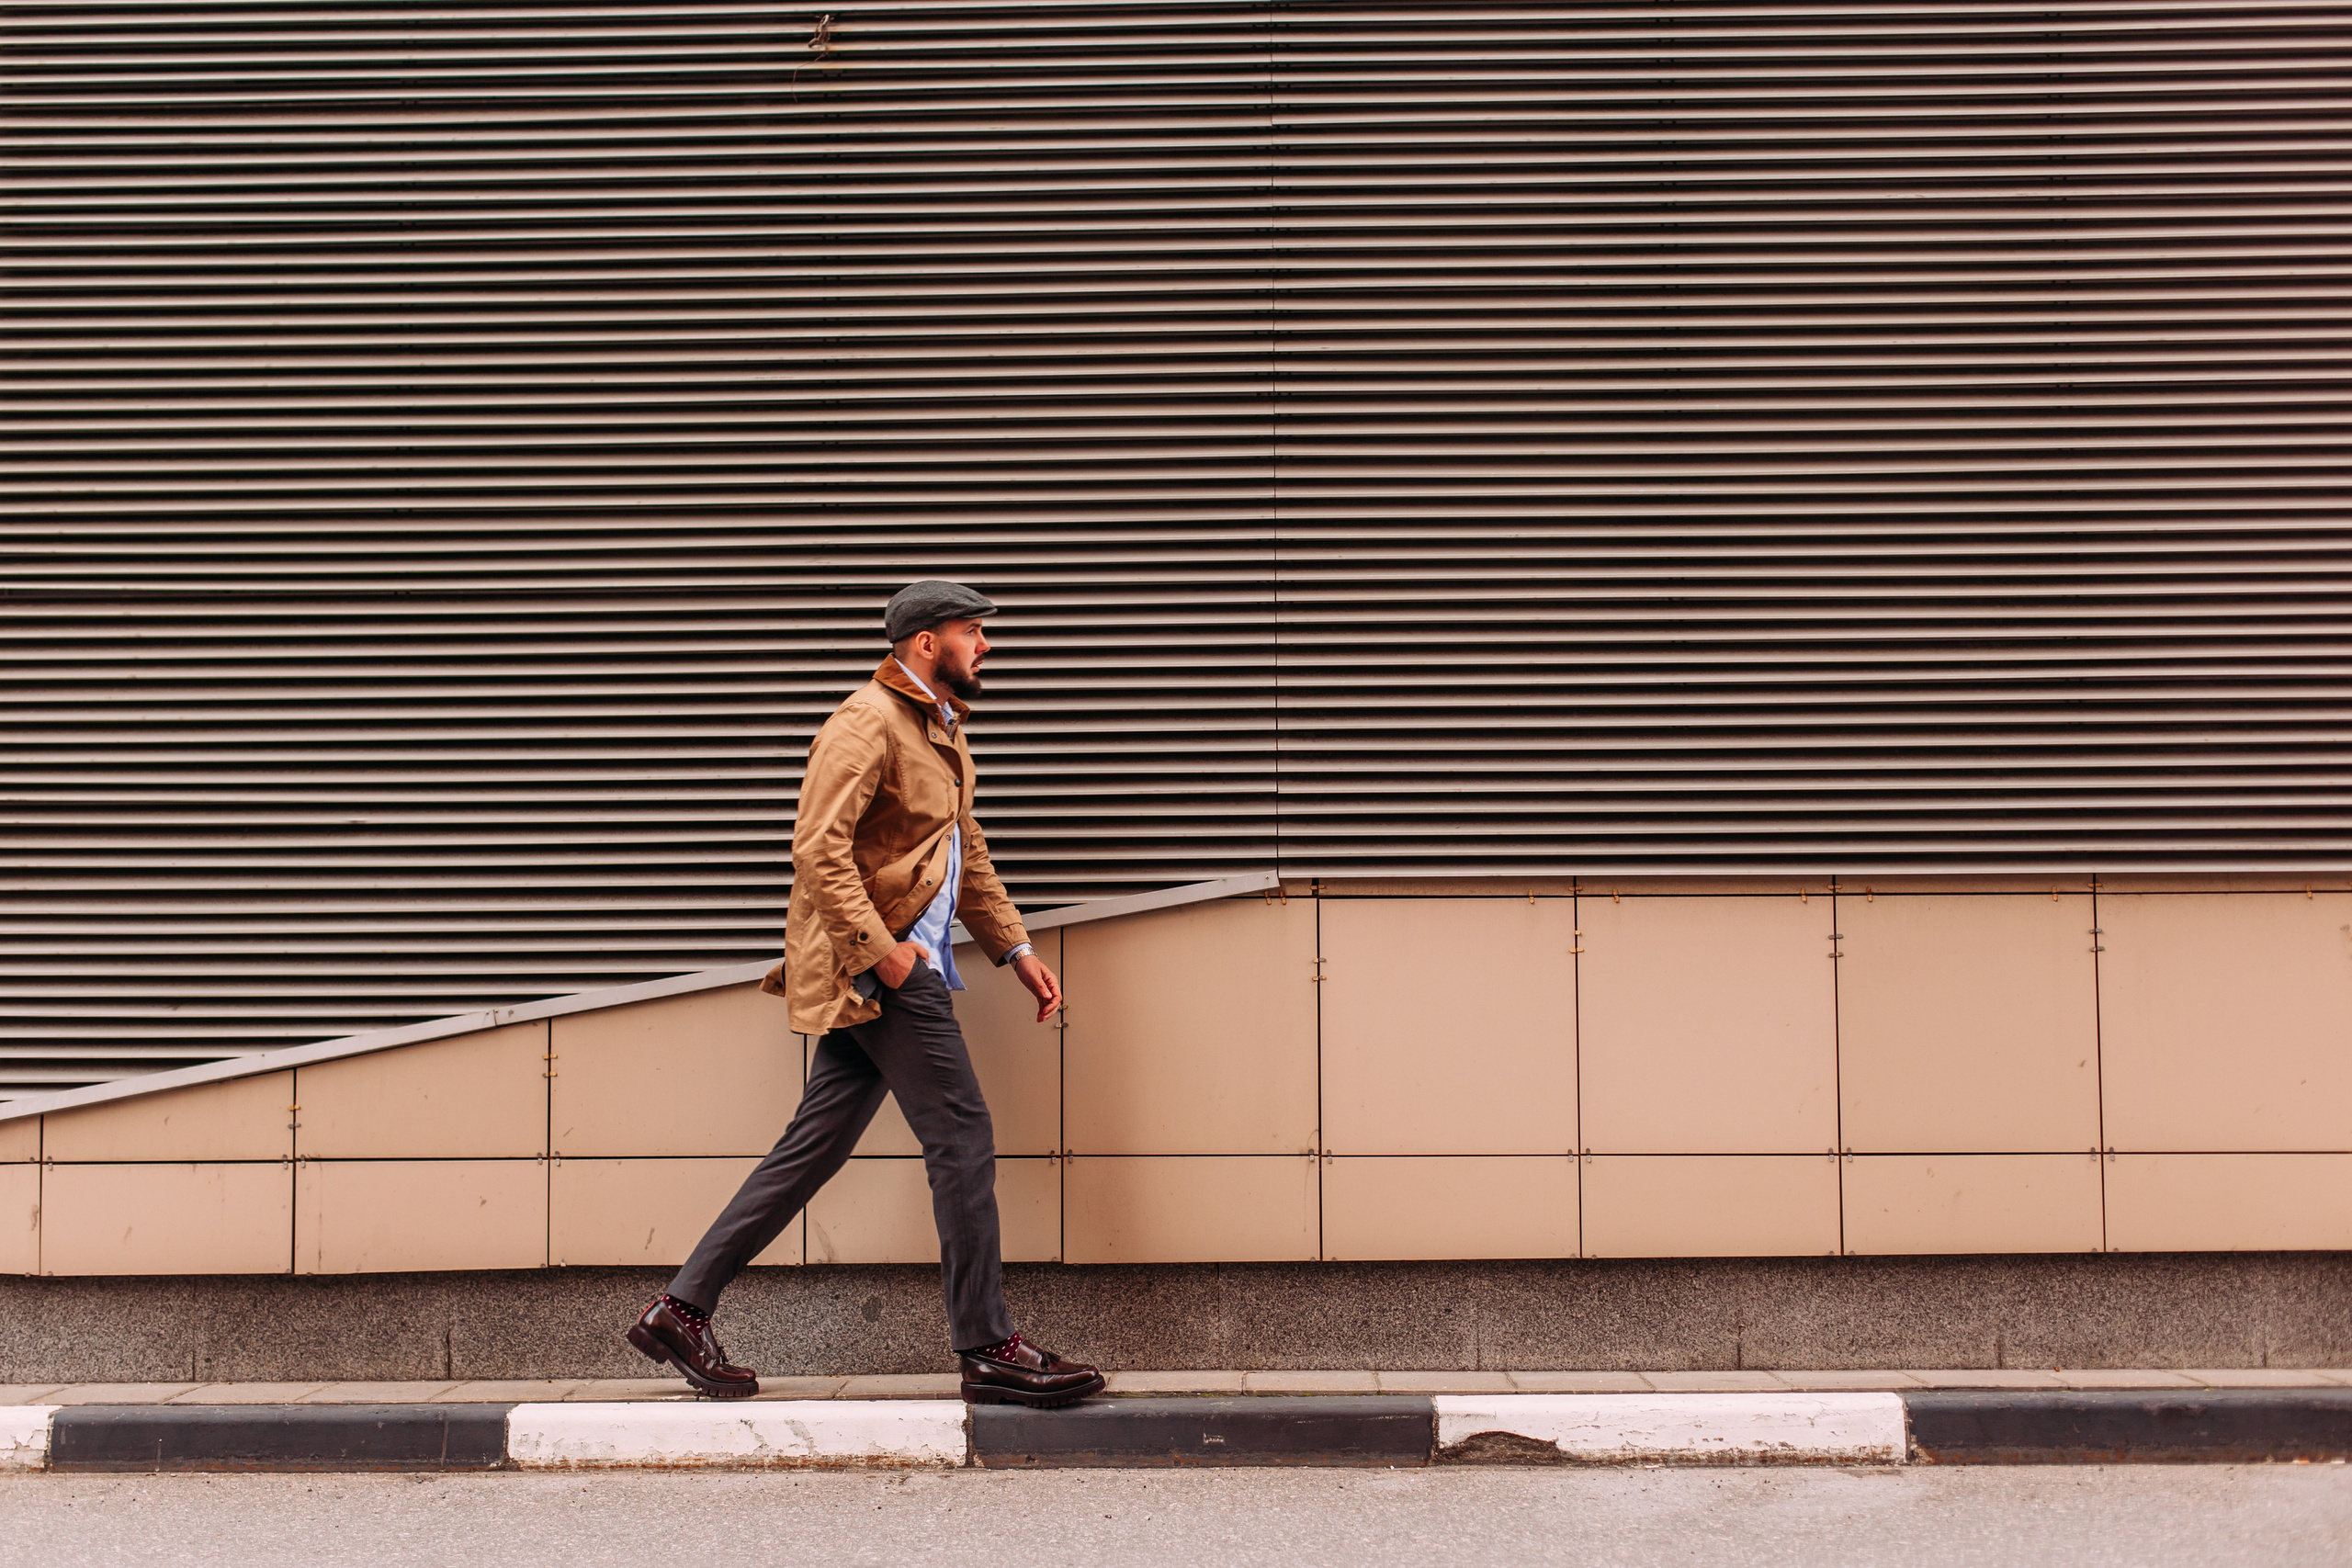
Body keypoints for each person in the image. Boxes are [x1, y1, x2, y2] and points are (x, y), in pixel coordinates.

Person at [627, 580, 1104, 1407]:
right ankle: (987, 1344)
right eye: (971, 631)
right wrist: (886, 958)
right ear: (926, 642)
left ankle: (680, 1308)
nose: (985, 644)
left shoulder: (938, 728)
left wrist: (1016, 948)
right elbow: (818, 848)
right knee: (962, 1133)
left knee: (812, 1144)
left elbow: (964, 848)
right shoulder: (866, 721)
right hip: (882, 968)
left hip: (897, 965)